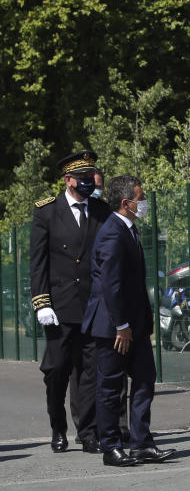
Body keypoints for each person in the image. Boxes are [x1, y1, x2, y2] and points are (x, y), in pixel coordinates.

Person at [83, 175, 175, 466]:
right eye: (140, 198)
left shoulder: (128, 228)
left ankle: (141, 443)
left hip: (133, 325)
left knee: (145, 378)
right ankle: (110, 446)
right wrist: (121, 325)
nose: (143, 203)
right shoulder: (112, 232)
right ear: (126, 203)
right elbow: (111, 285)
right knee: (111, 386)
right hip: (114, 326)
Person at [30, 150, 112, 454]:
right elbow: (37, 263)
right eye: (83, 178)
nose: (90, 182)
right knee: (56, 371)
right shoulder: (47, 212)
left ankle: (88, 432)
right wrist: (42, 302)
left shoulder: (101, 211)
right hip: (60, 308)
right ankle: (57, 426)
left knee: (91, 372)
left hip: (92, 305)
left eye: (91, 177)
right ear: (68, 180)